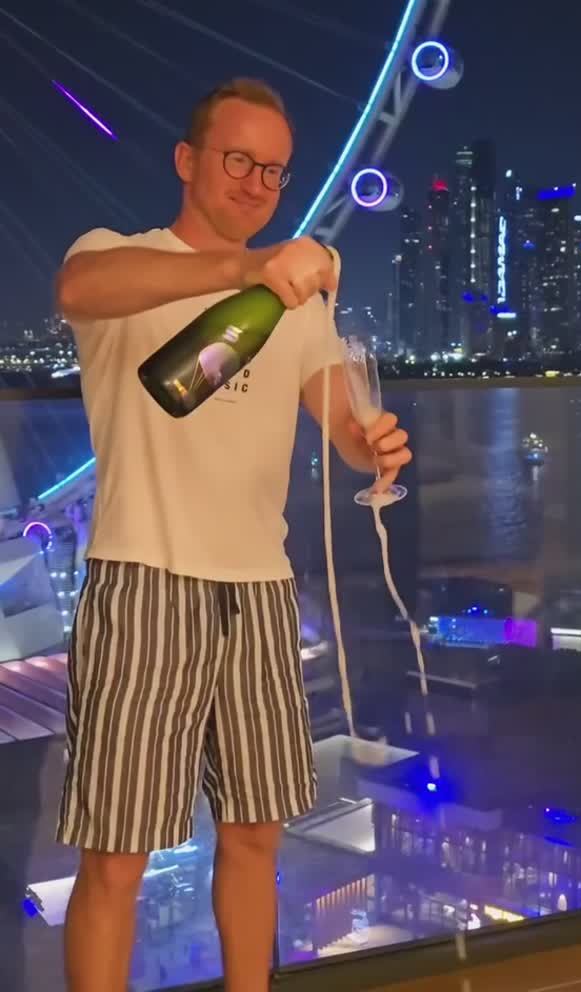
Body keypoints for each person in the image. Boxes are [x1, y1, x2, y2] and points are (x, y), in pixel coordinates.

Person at [55, 77, 412, 992]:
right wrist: (246, 271)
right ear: (188, 160)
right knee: (116, 854)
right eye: (238, 159)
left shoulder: (299, 304)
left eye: (275, 171)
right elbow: (80, 287)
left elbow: (343, 423)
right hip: (143, 580)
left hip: (261, 591)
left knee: (256, 835)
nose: (258, 183)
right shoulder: (118, 258)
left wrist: (373, 443)